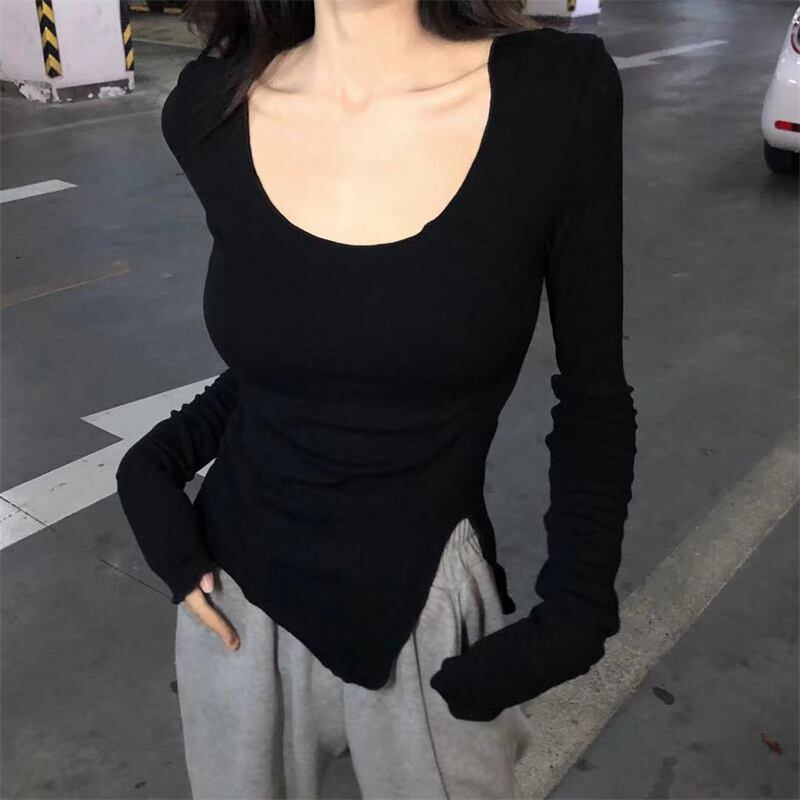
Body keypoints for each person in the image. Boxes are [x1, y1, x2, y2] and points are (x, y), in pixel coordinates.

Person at [115, 1, 638, 797]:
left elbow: (594, 393)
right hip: (236, 609)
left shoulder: (555, 96)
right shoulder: (211, 109)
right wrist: (152, 468)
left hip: (426, 612)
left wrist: (577, 611)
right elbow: (299, 358)